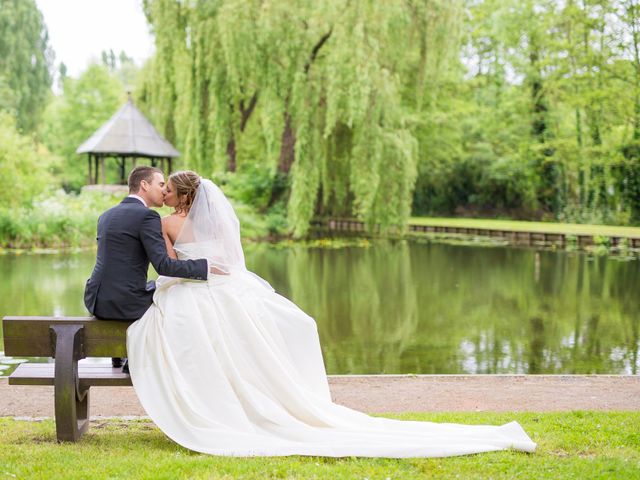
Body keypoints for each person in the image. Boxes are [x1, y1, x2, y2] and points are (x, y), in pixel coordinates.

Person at [126, 170, 537, 457]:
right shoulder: (218, 224)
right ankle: (265, 399)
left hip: (194, 290)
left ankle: (218, 400)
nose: (163, 194)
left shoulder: (166, 224)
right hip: (229, 288)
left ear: (179, 197)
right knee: (258, 338)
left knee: (179, 326)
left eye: (168, 190)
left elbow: (170, 266)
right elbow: (231, 263)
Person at [84, 166, 214, 372]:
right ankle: (141, 356)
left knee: (155, 287)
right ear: (144, 185)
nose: (164, 190)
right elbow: (164, 266)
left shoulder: (106, 215)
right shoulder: (147, 216)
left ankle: (119, 353)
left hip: (95, 300)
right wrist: (206, 266)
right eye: (161, 184)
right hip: (125, 304)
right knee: (173, 297)